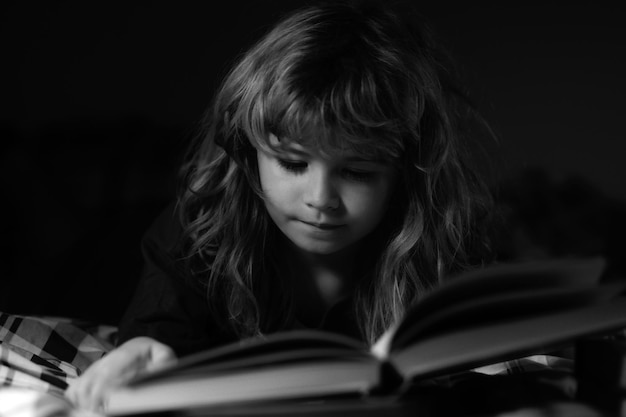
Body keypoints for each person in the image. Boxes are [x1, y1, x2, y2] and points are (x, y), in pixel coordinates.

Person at [66, 0, 495, 410]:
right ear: (249, 151)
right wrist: (141, 350)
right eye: (292, 163)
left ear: (405, 174)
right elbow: (154, 333)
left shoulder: (439, 252)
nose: (320, 199)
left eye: (359, 172)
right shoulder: (199, 229)